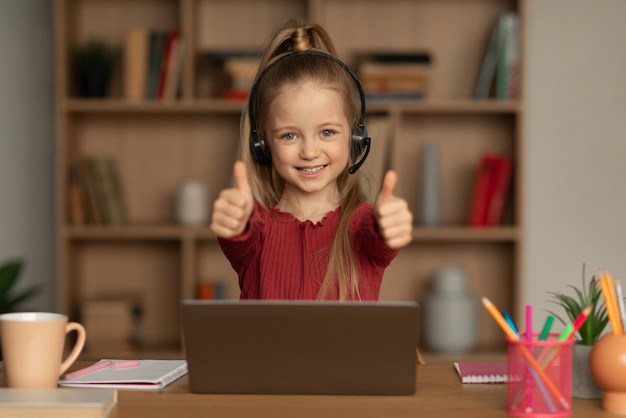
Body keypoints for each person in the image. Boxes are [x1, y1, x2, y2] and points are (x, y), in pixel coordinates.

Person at [210, 20, 413, 301]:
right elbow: (239, 234)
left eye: (327, 132)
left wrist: (388, 223)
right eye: (289, 136)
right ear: (262, 144)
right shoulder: (255, 232)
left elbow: (378, 235)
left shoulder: (362, 227)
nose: (309, 151)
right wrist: (235, 219)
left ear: (355, 136)